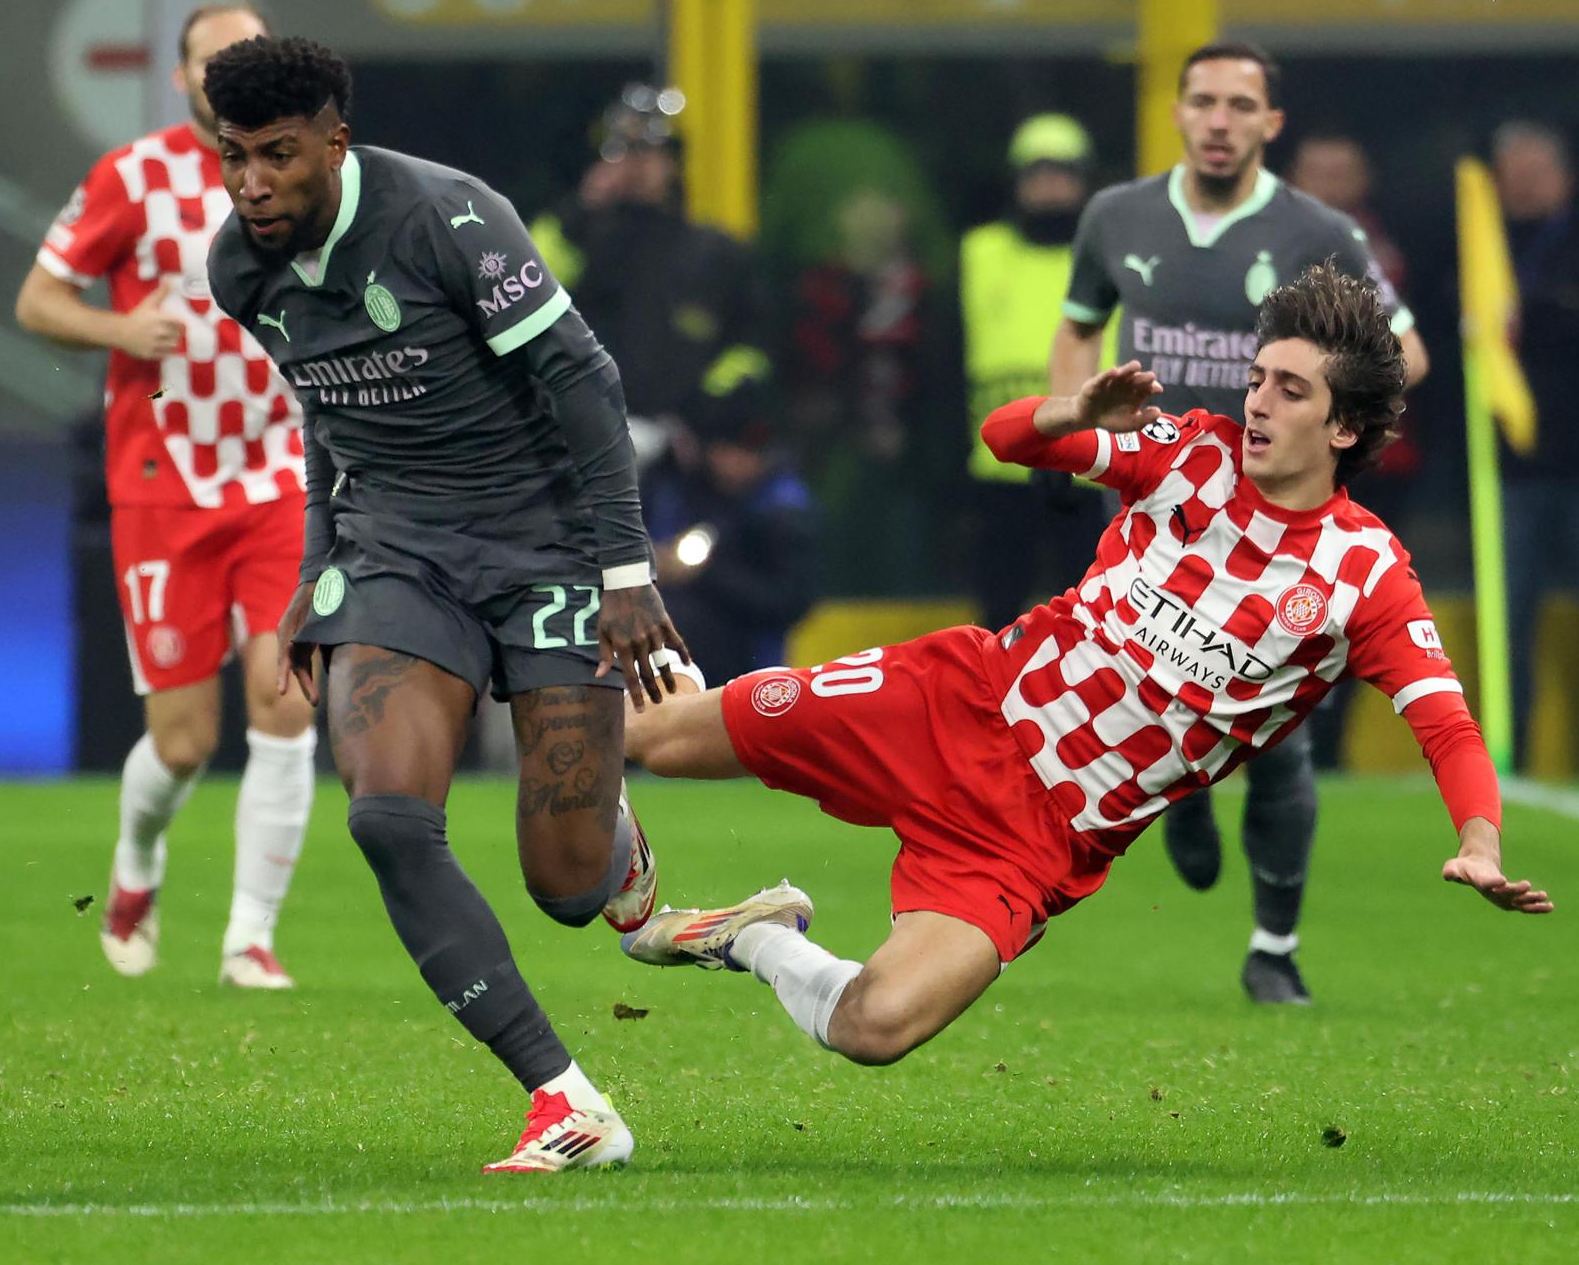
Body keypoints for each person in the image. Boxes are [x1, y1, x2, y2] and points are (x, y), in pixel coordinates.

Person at [618, 265, 1549, 1072]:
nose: (1258, 402)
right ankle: (583, 592)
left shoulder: (1366, 573)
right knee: (655, 738)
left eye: (1291, 391)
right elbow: (1008, 438)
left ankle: (756, 938)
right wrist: (1074, 412)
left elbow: (1447, 725)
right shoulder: (1188, 453)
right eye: (1258, 379)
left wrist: (1480, 842)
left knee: (874, 1027)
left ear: (1344, 428)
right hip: (958, 701)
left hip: (1038, 836)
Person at [198, 35, 689, 1173]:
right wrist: (322, 571)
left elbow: (585, 378)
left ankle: (612, 844)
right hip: (400, 555)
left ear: (335, 141)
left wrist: (626, 572)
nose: (253, 184)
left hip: (549, 547)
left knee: (566, 889)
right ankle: (565, 1098)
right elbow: (329, 415)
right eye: (234, 159)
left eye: (277, 156)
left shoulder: (450, 218)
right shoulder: (242, 270)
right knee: (384, 819)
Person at [1046, 41, 1430, 1004]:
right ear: (1177, 112)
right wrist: (1071, 425)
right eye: (1204, 101)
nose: (1220, 120)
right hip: (1157, 522)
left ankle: (1273, 947)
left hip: (1276, 529)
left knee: (1283, 742)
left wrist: (1333, 429)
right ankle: (1187, 789)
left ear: (1271, 124)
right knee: (1153, 711)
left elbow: (1407, 354)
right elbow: (1078, 323)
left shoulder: (1318, 229)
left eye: (1241, 105)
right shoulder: (1115, 216)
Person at [14, 3, 318, 993]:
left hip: (280, 475)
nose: (231, 72)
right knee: (182, 743)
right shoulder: (131, 178)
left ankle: (250, 939)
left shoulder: (303, 170)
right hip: (165, 484)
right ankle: (137, 866)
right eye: (212, 61)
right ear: (183, 78)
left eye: (248, 54)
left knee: (286, 702)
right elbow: (38, 298)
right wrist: (119, 331)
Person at [529, 83, 768, 464]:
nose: (638, 165)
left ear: (673, 162)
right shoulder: (579, 236)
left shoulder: (713, 252)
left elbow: (749, 345)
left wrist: (702, 412)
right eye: (624, 152)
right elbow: (523, 289)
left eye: (651, 153)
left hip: (683, 451)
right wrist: (582, 208)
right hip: (579, 442)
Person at [1287, 132, 1423, 768]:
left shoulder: (1373, 250)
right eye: (1320, 171)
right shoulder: (1273, 245)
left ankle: (1330, 750)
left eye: (1344, 171)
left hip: (1374, 459)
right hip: (1286, 459)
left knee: (1356, 609)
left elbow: (1408, 356)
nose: (1333, 185)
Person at [960, 113, 1109, 627]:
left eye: (1063, 171)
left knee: (1090, 620)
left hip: (1091, 470)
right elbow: (943, 362)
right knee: (996, 619)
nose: (1049, 184)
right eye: (1036, 171)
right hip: (998, 467)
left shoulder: (1109, 259)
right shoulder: (979, 253)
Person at [1491, 121, 1579, 768]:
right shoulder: (1476, 247)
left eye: (1534, 172)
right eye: (1509, 174)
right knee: (1508, 622)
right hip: (1511, 471)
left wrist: (1536, 314)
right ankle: (1508, 756)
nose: (1520, 185)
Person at [645, 367, 818, 680]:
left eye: (745, 452)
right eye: (724, 449)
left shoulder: (784, 506)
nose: (732, 461)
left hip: (753, 670)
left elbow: (791, 600)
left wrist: (705, 573)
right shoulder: (686, 486)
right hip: (679, 665)